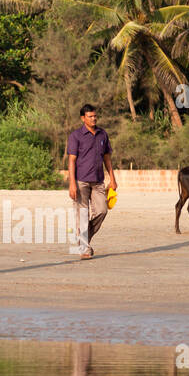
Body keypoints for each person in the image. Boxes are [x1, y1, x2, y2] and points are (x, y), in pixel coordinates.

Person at [67, 104, 118, 260]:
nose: (94, 118)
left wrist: (113, 178)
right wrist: (72, 183)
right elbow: (71, 160)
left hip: (98, 181)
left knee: (102, 210)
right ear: (83, 118)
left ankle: (83, 238)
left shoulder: (103, 134)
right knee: (82, 215)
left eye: (95, 116)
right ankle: (84, 248)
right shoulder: (75, 136)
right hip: (81, 181)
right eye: (90, 116)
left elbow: (107, 158)